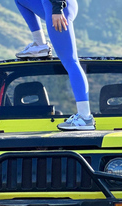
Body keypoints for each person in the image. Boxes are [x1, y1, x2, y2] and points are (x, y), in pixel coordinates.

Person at [14, 0, 95, 131]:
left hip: (56, 7)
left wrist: (57, 9)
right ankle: (40, 44)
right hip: (50, 5)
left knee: (71, 62)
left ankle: (85, 117)